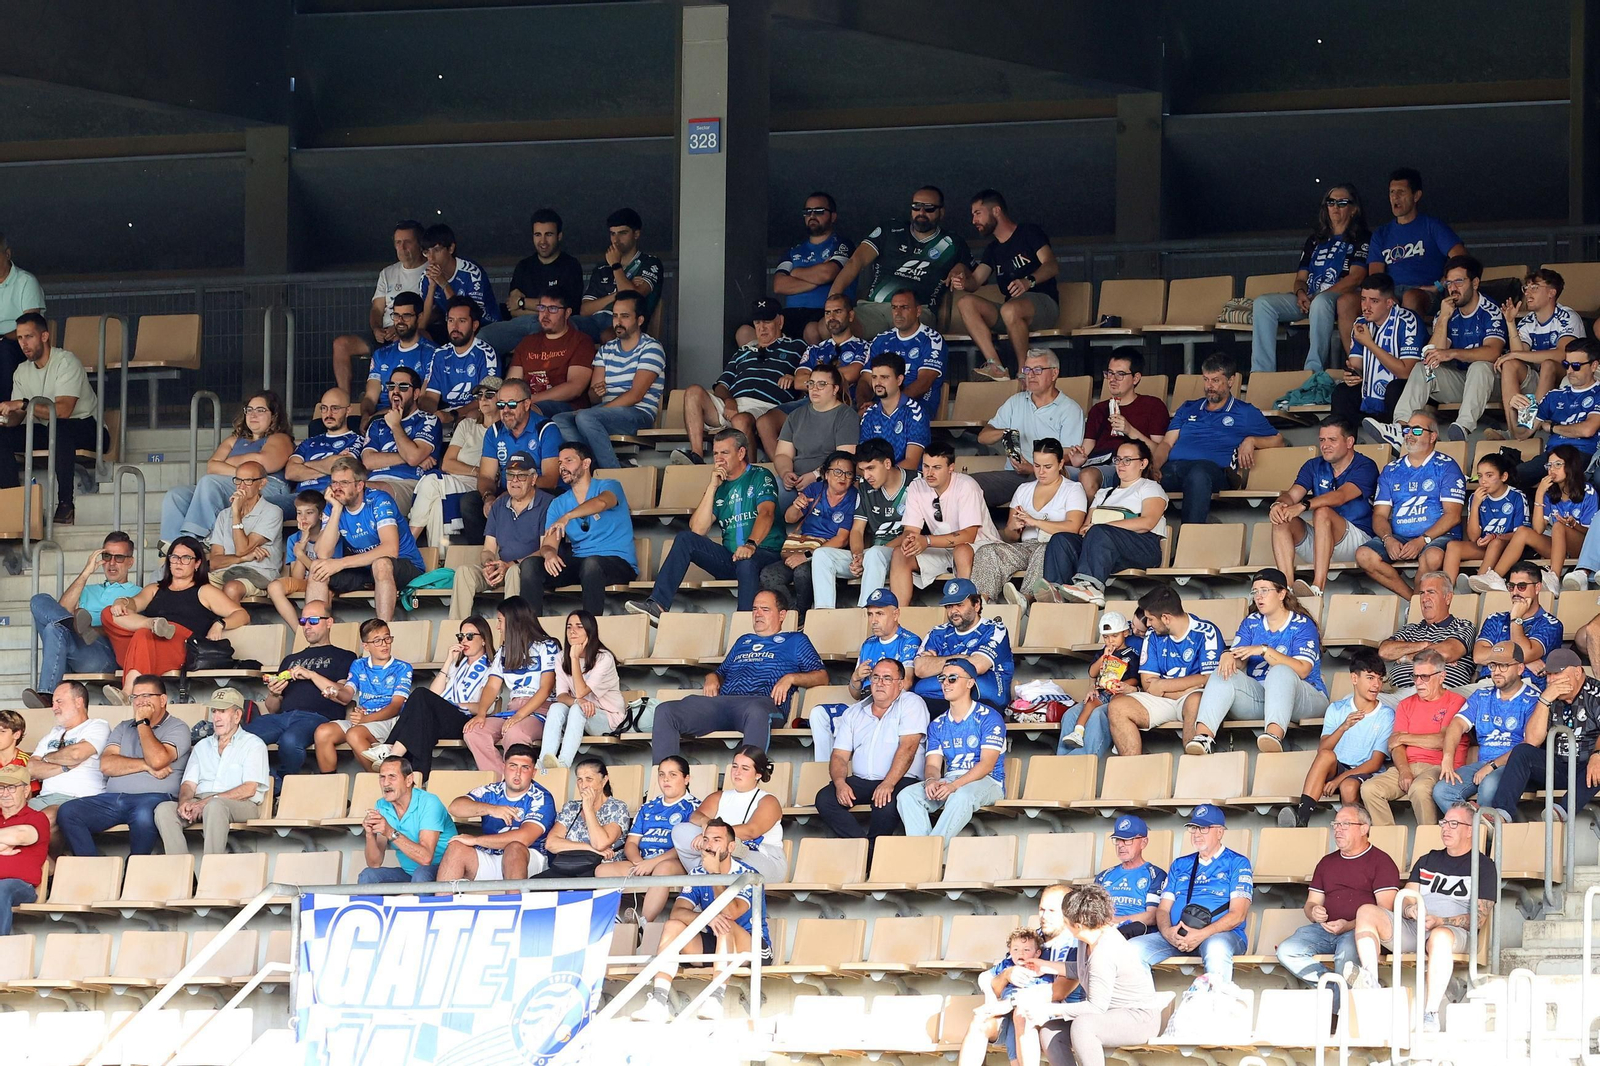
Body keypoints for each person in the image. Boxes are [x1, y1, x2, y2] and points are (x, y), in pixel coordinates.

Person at [1348, 804, 1495, 1033]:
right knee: (1366, 911)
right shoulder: (1428, 860)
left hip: (1452, 932)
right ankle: (1371, 983)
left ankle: (1430, 1013)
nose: (1446, 828)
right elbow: (1407, 897)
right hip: (1416, 927)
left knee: (1439, 937)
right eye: (1444, 822)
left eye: (1454, 824)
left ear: (1470, 830)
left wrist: (1440, 922)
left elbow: (1479, 919)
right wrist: (1410, 910)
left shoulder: (1483, 866)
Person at [649, 589, 827, 765]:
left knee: (756, 711)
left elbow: (822, 676)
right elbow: (721, 673)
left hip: (762, 703)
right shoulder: (744, 641)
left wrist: (791, 678)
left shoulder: (796, 640)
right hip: (723, 704)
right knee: (666, 711)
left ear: (782, 615)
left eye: (765, 609)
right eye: (755, 609)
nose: (757, 614)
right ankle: (664, 781)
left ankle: (747, 777)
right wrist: (711, 676)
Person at [629, 429, 784, 620]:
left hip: (765, 553)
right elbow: (698, 529)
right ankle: (658, 605)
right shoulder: (719, 486)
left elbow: (766, 513)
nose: (718, 459)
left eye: (724, 453)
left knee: (746, 561)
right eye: (716, 453)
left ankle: (744, 625)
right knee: (686, 539)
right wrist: (712, 487)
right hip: (733, 558)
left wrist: (751, 544)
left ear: (741, 453)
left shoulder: (760, 475)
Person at [629, 819, 774, 1024]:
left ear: (731, 847)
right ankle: (659, 1002)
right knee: (673, 926)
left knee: (725, 923)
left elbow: (731, 912)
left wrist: (715, 875)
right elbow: (678, 912)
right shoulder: (698, 873)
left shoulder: (747, 875)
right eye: (706, 839)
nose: (709, 845)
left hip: (754, 947)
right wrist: (707, 918)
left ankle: (716, 1000)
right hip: (718, 945)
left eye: (717, 840)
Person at [1276, 806, 1399, 1017]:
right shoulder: (1327, 863)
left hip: (1359, 931)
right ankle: (1337, 991)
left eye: (1345, 824)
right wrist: (1314, 911)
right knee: (1286, 951)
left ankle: (1342, 1016)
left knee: (1346, 960)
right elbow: (1310, 903)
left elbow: (1384, 911)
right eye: (1335, 824)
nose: (1338, 830)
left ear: (1364, 828)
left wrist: (1348, 924)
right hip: (1325, 929)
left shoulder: (1382, 862)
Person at [1191, 568, 1329, 755]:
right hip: (1262, 698)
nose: (1258, 596)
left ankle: (1273, 736)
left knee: (1280, 672)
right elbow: (1238, 662)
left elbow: (1303, 670)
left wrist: (1264, 651)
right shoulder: (1251, 622)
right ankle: (1203, 737)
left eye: (1265, 590)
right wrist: (1227, 656)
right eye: (1255, 591)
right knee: (1223, 672)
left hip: (1305, 697)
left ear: (1281, 594)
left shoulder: (1302, 624)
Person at [1022, 885, 1164, 1066]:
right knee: (1051, 1030)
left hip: (1138, 1020)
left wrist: (1048, 1009)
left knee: (1084, 1026)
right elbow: (1084, 970)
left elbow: (1095, 1008)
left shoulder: (1105, 950)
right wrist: (1046, 966)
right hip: (1108, 1015)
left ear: (1079, 925)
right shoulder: (1087, 938)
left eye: (1065, 921)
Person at [1372, 254, 1508, 443]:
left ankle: (1462, 427)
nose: (1453, 288)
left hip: (1494, 383)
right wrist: (1444, 318)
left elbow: (1492, 352)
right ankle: (1400, 427)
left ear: (1475, 283)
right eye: (1449, 283)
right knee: (1423, 367)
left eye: (1459, 281)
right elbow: (1432, 354)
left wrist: (1452, 353)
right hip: (1463, 384)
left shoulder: (1490, 310)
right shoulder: (1446, 312)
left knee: (1480, 366)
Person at [100, 535, 249, 704]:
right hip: (147, 643)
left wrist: (220, 623)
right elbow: (134, 603)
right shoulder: (155, 588)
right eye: (174, 557)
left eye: (186, 558)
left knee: (143, 634)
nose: (178, 562)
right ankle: (151, 624)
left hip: (180, 644)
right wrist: (122, 601)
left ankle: (128, 693)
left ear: (197, 563)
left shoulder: (205, 591)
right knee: (108, 612)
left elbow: (242, 614)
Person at [56, 675, 191, 857]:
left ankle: (132, 873)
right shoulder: (124, 727)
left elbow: (158, 760)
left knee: (144, 816)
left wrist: (143, 723)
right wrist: (145, 765)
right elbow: (106, 764)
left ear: (163, 700)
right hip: (113, 799)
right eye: (135, 697)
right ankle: (95, 870)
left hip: (154, 799)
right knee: (68, 811)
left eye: (146, 696)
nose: (140, 702)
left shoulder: (178, 727)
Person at [1034, 440, 1169, 609]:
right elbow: (1085, 528)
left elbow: (1147, 522)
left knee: (1099, 531)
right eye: (1118, 459)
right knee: (1061, 539)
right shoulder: (1104, 493)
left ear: (1143, 463)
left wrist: (1106, 526)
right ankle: (1055, 591)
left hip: (1142, 546)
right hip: (1102, 547)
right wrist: (1093, 530)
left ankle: (1091, 587)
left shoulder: (1150, 487)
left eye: (1127, 460)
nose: (1121, 464)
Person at [1251, 183, 1370, 373]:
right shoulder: (1315, 239)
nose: (1335, 207)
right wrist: (1300, 293)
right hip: (1311, 297)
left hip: (1338, 298)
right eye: (1331, 202)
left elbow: (1356, 277)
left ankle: (1312, 370)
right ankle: (1261, 372)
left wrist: (1318, 298)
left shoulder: (1362, 238)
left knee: (1321, 302)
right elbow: (1300, 278)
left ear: (1354, 209)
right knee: (1263, 304)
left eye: (1342, 203)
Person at [1155, 352, 1284, 526]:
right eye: (1206, 379)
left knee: (1199, 473)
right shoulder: (1188, 407)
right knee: (1133, 474)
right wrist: (1153, 467)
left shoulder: (1245, 412)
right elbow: (1166, 443)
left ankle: (1189, 540)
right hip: (1175, 468)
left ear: (1231, 381)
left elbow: (1278, 440)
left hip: (1215, 472)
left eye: (1215, 380)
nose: (1209, 386)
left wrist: (1252, 440)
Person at [1131, 805, 1253, 989]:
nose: (1196, 834)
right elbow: (1163, 909)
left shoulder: (1237, 862)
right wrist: (1168, 933)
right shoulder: (1181, 864)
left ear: (1219, 832)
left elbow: (1238, 914)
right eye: (1193, 828)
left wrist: (1201, 935)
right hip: (1177, 935)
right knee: (1131, 949)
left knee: (1216, 949)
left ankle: (1215, 1010)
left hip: (1220, 935)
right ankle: (1143, 1010)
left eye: (1204, 828)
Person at [677, 297, 808, 464]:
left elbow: (812, 374)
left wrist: (795, 377)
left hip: (768, 408)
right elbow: (722, 385)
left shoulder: (796, 346)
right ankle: (697, 456)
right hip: (733, 404)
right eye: (758, 322)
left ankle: (748, 472)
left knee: (741, 420)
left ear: (780, 321)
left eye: (767, 321)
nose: (762, 327)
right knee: (693, 392)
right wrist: (730, 401)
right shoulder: (744, 351)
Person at [830, 185, 973, 338]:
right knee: (829, 327)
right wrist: (832, 300)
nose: (921, 213)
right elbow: (855, 261)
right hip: (874, 309)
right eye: (916, 207)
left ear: (941, 212)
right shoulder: (890, 230)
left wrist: (961, 267)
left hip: (917, 310)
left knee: (903, 334)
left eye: (929, 208)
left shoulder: (953, 243)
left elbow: (973, 275)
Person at [816, 658, 929, 849]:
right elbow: (839, 756)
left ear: (900, 684)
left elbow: (908, 748)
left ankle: (868, 856)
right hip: (863, 780)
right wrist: (840, 783)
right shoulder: (854, 713)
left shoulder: (911, 703)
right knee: (825, 799)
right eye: (875, 677)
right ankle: (864, 849)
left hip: (902, 779)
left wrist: (888, 783)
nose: (880, 683)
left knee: (885, 805)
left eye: (887, 678)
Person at [0, 314, 101, 524]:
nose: (23, 344)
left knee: (60, 428)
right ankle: (13, 504)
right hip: (48, 428)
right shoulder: (21, 370)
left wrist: (24, 404)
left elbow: (63, 411)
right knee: (2, 436)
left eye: (29, 337)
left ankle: (65, 504)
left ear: (45, 336)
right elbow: (16, 420)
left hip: (87, 428)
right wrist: (5, 416)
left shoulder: (66, 361)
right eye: (19, 338)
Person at [160, 391, 294, 547]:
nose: (253, 415)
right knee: (177, 495)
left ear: (274, 415)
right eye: (249, 410)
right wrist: (242, 473)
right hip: (234, 484)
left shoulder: (280, 438)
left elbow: (264, 463)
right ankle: (173, 544)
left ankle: (197, 539)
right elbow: (212, 466)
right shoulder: (234, 440)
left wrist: (229, 463)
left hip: (265, 485)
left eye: (260, 410)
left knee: (209, 483)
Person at [368, 617, 495, 781]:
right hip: (442, 718)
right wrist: (449, 661)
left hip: (465, 721)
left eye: (469, 636)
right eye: (460, 636)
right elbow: (434, 694)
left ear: (483, 639)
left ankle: (392, 755)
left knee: (420, 694)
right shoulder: (458, 665)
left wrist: (456, 704)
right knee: (422, 720)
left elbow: (485, 707)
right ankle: (418, 777)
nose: (464, 640)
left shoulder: (491, 667)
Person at [1355, 413, 1467, 600]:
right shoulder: (1391, 469)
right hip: (1399, 536)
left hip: (1438, 536)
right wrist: (1387, 538)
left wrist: (1422, 540)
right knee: (1363, 555)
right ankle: (1414, 600)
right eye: (1407, 429)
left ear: (1432, 436)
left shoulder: (1447, 467)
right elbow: (1379, 516)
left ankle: (1417, 608)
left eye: (1416, 430)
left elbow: (1453, 515)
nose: (1409, 434)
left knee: (1432, 557)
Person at [952, 190, 1060, 382]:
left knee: (1011, 309)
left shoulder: (1028, 232)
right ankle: (996, 366)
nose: (973, 220)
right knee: (965, 303)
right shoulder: (992, 249)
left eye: (978, 213)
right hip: (1012, 313)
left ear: (996, 211)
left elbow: (1051, 265)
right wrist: (963, 281)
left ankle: (1023, 372)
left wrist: (1029, 281)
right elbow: (976, 281)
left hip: (1044, 305)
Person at [1280, 651, 1395, 828]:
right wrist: (1343, 727)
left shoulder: (1386, 714)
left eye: (1380, 679)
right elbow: (1323, 750)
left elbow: (1375, 762)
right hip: (1338, 766)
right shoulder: (1336, 708)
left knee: (1348, 786)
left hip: (1365, 771)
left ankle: (1354, 831)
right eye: (1370, 678)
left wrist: (1338, 780)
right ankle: (1302, 819)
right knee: (1326, 756)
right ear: (1354, 679)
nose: (1376, 685)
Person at [551, 290, 665, 470]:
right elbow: (594, 397)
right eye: (615, 316)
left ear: (640, 320)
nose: (618, 322)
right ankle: (591, 467)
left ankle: (612, 473)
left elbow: (635, 395)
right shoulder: (606, 349)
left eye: (625, 316)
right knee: (559, 419)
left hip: (638, 414)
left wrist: (594, 412)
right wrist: (596, 392)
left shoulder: (651, 348)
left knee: (585, 417)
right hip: (603, 414)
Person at [246, 603, 357, 786]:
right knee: (242, 737)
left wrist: (311, 674)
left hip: (317, 718)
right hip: (283, 717)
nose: (307, 626)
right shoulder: (289, 659)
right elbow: (272, 708)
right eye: (303, 621)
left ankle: (278, 786)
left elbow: (342, 694)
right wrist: (274, 694)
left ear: (329, 622)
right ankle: (262, 783)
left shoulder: (345, 656)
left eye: (313, 620)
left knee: (290, 741)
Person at [1105, 585, 1223, 758]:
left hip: (1191, 698)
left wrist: (1163, 685)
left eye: (1151, 619)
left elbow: (1209, 678)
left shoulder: (1206, 632)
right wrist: (1182, 688)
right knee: (1117, 707)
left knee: (1195, 701)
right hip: (1164, 699)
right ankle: (1132, 773)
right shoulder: (1152, 635)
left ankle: (1193, 771)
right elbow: (1148, 683)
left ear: (1166, 618)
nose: (1149, 624)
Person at [306, 456, 428, 622]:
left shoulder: (379, 500)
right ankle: (315, 631)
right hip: (364, 568)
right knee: (317, 568)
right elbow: (322, 553)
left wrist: (341, 563)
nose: (337, 488)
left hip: (403, 564)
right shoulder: (333, 505)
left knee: (381, 563)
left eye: (344, 483)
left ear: (359, 485)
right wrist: (336, 510)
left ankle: (382, 633)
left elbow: (390, 550)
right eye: (334, 482)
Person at [25, 532, 140, 707]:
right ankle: (48, 697)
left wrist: (94, 630)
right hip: (71, 644)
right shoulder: (87, 589)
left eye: (119, 558)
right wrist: (86, 572)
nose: (111, 563)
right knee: (39, 601)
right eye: (107, 556)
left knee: (54, 629)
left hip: (104, 654)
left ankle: (48, 694)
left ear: (130, 562)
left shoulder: (137, 593)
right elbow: (61, 609)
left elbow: (128, 630)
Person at [1270, 416, 1380, 598]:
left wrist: (1304, 505)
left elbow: (1341, 496)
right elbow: (1292, 494)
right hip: (1322, 542)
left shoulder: (1365, 465)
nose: (1325, 445)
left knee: (1323, 512)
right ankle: (1287, 589)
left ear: (1350, 441)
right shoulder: (1313, 465)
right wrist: (1278, 505)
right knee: (1282, 518)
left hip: (1358, 541)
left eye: (1332, 440)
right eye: (1322, 440)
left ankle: (1317, 588)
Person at [1486, 648, 1600, 821]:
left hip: (1589, 769)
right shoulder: (1549, 696)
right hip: (1557, 768)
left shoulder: (1596, 693)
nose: (1552, 680)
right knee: (1522, 752)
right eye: (1548, 675)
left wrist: (1598, 755)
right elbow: (1532, 741)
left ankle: (1561, 812)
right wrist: (1544, 700)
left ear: (1577, 672)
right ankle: (1502, 813)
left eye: (1557, 673)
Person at [898, 658, 1006, 841]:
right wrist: (932, 780)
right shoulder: (937, 724)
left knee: (960, 796)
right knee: (907, 795)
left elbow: (987, 765)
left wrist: (955, 785)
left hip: (988, 781)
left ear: (970, 683)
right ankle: (926, 853)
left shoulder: (989, 717)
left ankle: (929, 853)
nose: (946, 684)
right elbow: (933, 764)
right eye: (943, 678)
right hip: (950, 779)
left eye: (953, 678)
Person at [527, 440, 637, 616]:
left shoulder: (610, 485)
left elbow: (602, 502)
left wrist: (569, 516)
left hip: (617, 562)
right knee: (530, 565)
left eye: (568, 461)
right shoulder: (558, 504)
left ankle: (589, 633)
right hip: (581, 565)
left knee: (592, 564)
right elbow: (548, 544)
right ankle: (531, 633)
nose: (562, 467)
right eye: (560, 463)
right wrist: (549, 555)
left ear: (586, 464)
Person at [1360, 649, 1466, 827]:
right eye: (1415, 676)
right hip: (1407, 765)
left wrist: (1405, 737)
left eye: (1425, 677)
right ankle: (1390, 846)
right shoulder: (1405, 704)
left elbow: (1442, 740)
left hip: (1440, 767)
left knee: (1419, 789)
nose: (1418, 682)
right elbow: (1395, 745)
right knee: (1369, 789)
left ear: (1442, 676)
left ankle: (1429, 845)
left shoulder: (1456, 701)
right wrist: (1404, 771)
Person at [155, 690, 269, 855]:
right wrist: (185, 802)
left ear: (237, 716)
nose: (216, 717)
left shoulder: (254, 744)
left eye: (222, 711)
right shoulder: (202, 745)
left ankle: (211, 870)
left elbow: (248, 789)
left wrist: (205, 803)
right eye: (214, 711)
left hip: (241, 803)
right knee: (164, 809)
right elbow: (188, 784)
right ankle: (181, 871)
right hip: (201, 801)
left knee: (214, 806)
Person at [975, 438, 1086, 605]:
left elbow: (1073, 527)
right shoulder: (1023, 489)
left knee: (1045, 550)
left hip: (1056, 548)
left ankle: (1024, 598)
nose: (1041, 472)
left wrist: (1035, 521)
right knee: (988, 551)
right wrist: (1013, 527)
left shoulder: (1073, 489)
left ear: (1061, 464)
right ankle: (982, 601)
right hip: (1026, 547)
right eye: (1037, 465)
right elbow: (1011, 537)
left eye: (1048, 467)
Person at [891, 443, 1002, 607]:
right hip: (943, 549)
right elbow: (910, 530)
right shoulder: (917, 486)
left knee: (961, 550)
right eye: (926, 466)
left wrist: (927, 540)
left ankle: (964, 608)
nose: (929, 473)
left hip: (980, 547)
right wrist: (911, 541)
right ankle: (899, 616)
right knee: (900, 554)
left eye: (936, 467)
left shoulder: (966, 485)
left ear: (951, 468)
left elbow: (968, 535)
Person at [973, 349, 1087, 507]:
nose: (1031, 375)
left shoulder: (1070, 409)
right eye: (1027, 370)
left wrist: (1033, 468)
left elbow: (1069, 456)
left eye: (1038, 370)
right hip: (1014, 475)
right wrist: (1005, 433)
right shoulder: (1015, 402)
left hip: (1050, 478)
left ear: (1054, 374)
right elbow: (983, 437)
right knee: (968, 485)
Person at [809, 437, 913, 609]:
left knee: (875, 554)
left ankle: (864, 613)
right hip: (871, 557)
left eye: (871, 468)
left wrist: (870, 554)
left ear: (887, 463)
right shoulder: (865, 486)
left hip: (902, 555)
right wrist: (858, 556)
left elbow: (912, 532)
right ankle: (824, 613)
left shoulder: (915, 482)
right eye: (863, 470)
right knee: (822, 555)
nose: (866, 476)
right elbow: (857, 530)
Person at [447, 453, 554, 619]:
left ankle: (512, 634)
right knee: (463, 572)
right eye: (510, 475)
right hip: (501, 567)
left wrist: (510, 565)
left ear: (533, 479)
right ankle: (457, 632)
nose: (515, 481)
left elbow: (544, 550)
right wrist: (489, 564)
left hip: (528, 571)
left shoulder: (547, 503)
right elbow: (488, 549)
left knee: (513, 572)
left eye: (521, 476)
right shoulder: (498, 506)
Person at [1434, 642, 1538, 813]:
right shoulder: (1481, 695)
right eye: (1493, 665)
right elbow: (1457, 725)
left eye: (1504, 665)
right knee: (1442, 790)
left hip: (1514, 767)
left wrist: (1492, 766)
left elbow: (1529, 745)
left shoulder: (1533, 699)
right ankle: (1476, 827)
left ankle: (1485, 835)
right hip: (1482, 764)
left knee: (1488, 787)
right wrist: (1447, 758)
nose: (1496, 671)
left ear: (1520, 668)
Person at [463, 597, 560, 778]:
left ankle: (520, 787)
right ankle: (502, 782)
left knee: (514, 732)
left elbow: (546, 688)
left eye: (500, 621)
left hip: (541, 710)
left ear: (513, 621)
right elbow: (492, 686)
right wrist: (482, 713)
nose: (498, 627)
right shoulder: (504, 651)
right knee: (473, 731)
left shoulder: (547, 645)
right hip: (512, 710)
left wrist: (519, 716)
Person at [1474, 446, 1594, 591]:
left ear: (1570, 465)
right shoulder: (1549, 492)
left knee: (1558, 526)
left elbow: (1592, 535)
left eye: (1557, 465)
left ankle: (1554, 577)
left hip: (1581, 548)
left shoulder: (1588, 491)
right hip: (1556, 546)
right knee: (1524, 531)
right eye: (1549, 465)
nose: (1552, 470)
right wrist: (1539, 493)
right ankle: (1496, 577)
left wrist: (1573, 524)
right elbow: (1538, 529)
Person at [595, 756, 699, 920]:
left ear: (686, 779)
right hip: (643, 861)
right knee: (602, 870)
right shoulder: (648, 807)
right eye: (661, 774)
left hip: (675, 863)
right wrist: (639, 862)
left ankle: (644, 922)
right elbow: (631, 843)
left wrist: (652, 863)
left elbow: (685, 847)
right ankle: (610, 921)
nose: (666, 779)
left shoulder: (694, 807)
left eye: (673, 775)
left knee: (662, 869)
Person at [331, 220, 425, 398]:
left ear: (420, 243)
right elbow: (377, 308)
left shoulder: (431, 270)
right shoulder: (387, 273)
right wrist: (376, 329)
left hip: (413, 332)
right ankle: (343, 400)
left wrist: (402, 329)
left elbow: (432, 312)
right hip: (384, 333)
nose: (402, 247)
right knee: (341, 344)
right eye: (398, 242)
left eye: (408, 242)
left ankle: (390, 397)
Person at [478, 207, 585, 356]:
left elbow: (567, 308)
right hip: (522, 323)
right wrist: (542, 308)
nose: (543, 241)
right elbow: (513, 309)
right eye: (538, 235)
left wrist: (523, 302)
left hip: (557, 325)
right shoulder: (524, 266)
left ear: (559, 236)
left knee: (539, 333)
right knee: (483, 337)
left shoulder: (570, 265)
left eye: (549, 234)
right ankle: (492, 378)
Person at [437, 744, 555, 880]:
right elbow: (455, 807)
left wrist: (475, 840)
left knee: (514, 848)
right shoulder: (491, 791)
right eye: (513, 766)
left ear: (533, 772)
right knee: (456, 847)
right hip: (493, 855)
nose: (517, 773)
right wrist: (491, 809)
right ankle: (443, 900)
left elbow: (523, 838)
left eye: (525, 768)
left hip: (530, 859)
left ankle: (513, 900)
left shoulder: (541, 797)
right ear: (504, 767)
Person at [1066, 347, 1170, 500]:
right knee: (1056, 472)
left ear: (1136, 378)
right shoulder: (1098, 409)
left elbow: (1158, 451)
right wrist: (1078, 459)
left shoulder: (1152, 406)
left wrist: (1129, 430)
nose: (1112, 379)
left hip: (1123, 465)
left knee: (1087, 476)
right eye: (1109, 373)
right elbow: (1086, 450)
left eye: (1120, 374)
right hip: (1096, 463)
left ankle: (1089, 523)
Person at [761, 450, 856, 615]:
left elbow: (841, 540)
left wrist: (806, 556)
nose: (843, 477)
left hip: (828, 554)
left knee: (802, 572)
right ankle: (792, 614)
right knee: (769, 574)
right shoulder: (815, 489)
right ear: (826, 474)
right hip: (802, 545)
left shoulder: (853, 497)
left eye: (849, 474)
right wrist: (796, 506)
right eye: (838, 472)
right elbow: (790, 518)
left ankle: (803, 615)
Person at [312, 617, 413, 771]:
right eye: (377, 641)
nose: (384, 644)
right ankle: (331, 788)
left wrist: (365, 719)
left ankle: (378, 780)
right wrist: (335, 693)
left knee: (354, 734)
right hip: (362, 721)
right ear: (366, 646)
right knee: (322, 732)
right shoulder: (358, 664)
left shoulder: (403, 667)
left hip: (389, 721)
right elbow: (347, 694)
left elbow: (395, 707)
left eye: (387, 638)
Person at [408, 380, 500, 550]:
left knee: (431, 481)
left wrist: (481, 474)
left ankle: (407, 545)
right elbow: (448, 464)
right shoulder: (467, 425)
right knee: (435, 501)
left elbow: (491, 475)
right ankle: (439, 560)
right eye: (479, 395)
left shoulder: (504, 430)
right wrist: (478, 470)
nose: (483, 399)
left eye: (489, 395)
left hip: (478, 486)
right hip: (454, 480)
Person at [1364, 168, 1466, 318]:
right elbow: (1375, 276)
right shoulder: (1381, 233)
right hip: (1390, 294)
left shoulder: (1432, 226)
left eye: (1401, 192)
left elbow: (1462, 258)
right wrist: (1387, 296)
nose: (1395, 197)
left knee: (1410, 297)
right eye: (1392, 192)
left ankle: (1410, 341)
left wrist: (1440, 285)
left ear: (1416, 196)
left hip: (1425, 293)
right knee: (1348, 301)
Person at [1332, 274, 1424, 429]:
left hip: (1409, 389)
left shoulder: (1408, 321)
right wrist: (1352, 375)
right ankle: (1343, 445)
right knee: (1342, 392)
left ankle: (1397, 440)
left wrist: (1369, 343)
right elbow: (1356, 366)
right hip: (1372, 391)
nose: (1366, 307)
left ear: (1389, 303)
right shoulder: (1361, 323)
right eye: (1363, 299)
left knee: (1395, 388)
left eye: (1374, 301)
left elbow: (1406, 373)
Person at [1498, 268, 1586, 425]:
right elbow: (1519, 356)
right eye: (1526, 288)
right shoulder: (1527, 321)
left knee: (1548, 364)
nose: (1527, 292)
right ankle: (1514, 428)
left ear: (1551, 293)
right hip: (1539, 381)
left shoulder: (1567, 316)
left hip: (1567, 377)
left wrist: (1515, 354)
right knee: (1510, 364)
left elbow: (1561, 355)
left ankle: (1531, 425)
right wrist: (1511, 323)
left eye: (1535, 287)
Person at [1511, 336, 1600, 490]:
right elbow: (1522, 434)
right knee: (1513, 476)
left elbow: (1587, 429)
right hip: (1552, 456)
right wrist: (1514, 410)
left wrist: (1552, 428)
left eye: (1576, 366)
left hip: (1583, 454)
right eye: (1566, 364)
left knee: (1565, 477)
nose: (1570, 371)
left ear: (1594, 366)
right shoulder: (1553, 396)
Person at [912, 579, 1014, 712]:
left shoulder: (994, 630)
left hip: (982, 703)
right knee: (915, 699)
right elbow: (921, 668)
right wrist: (962, 657)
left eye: (959, 605)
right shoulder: (937, 632)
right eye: (949, 606)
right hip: (936, 701)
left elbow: (977, 666)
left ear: (976, 605)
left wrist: (936, 664)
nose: (953, 611)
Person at [540, 611, 626, 769]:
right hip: (579, 715)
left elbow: (581, 692)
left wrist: (574, 658)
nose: (572, 631)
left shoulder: (604, 658)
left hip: (608, 717)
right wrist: (578, 701)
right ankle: (543, 763)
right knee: (556, 707)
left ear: (589, 631)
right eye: (569, 627)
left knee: (576, 710)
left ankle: (563, 764)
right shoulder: (560, 657)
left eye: (579, 627)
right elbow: (561, 696)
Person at [765, 193, 853, 346]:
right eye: (807, 212)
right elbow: (779, 285)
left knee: (812, 330)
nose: (812, 215)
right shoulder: (793, 251)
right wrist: (817, 279)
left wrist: (796, 272)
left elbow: (827, 273)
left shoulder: (842, 244)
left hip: (823, 312)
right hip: (791, 313)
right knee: (747, 331)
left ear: (833, 216)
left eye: (819, 211)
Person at [772, 363, 859, 515]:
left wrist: (815, 475)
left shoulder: (846, 415)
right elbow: (783, 454)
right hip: (796, 482)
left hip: (827, 482)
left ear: (835, 389)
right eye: (811, 383)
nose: (814, 388)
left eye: (822, 384)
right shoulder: (796, 415)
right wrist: (786, 473)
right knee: (765, 498)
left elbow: (845, 458)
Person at [358, 754, 457, 883]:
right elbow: (374, 863)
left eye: (392, 777)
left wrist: (389, 832)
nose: (385, 783)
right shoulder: (381, 805)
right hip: (409, 873)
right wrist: (369, 834)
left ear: (409, 780)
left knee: (421, 874)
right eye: (382, 777)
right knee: (368, 875)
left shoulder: (429, 802)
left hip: (445, 871)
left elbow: (426, 858)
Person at [361, 365, 445, 515]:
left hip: (408, 483)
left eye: (404, 387)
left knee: (371, 493)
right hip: (374, 481)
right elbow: (368, 461)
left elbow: (413, 457)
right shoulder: (377, 423)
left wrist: (395, 425)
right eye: (391, 386)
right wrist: (413, 457)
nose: (396, 391)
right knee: (345, 492)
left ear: (416, 393)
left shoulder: (428, 420)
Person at [1377, 571, 1477, 693]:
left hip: (1440, 693)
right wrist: (1424, 645)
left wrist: (1405, 657)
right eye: (1422, 593)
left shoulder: (1462, 626)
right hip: (1398, 692)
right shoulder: (1410, 629)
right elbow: (1384, 651)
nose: (1425, 599)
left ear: (1448, 597)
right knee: (1353, 700)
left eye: (1431, 592)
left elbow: (1447, 652)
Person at [1440, 453, 1528, 590]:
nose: (1483, 481)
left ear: (1503, 477)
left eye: (1489, 475)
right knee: (1453, 546)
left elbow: (1522, 534)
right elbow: (1474, 537)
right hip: (1484, 546)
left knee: (1495, 542)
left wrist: (1495, 536)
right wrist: (1475, 505)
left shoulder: (1517, 496)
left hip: (1508, 546)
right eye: (1480, 476)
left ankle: (1478, 582)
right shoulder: (1476, 498)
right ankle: (1446, 590)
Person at [204, 459, 285, 605]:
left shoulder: (272, 512)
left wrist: (236, 513)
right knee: (190, 584)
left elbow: (242, 549)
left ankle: (230, 625)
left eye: (248, 481)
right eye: (238, 480)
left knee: (232, 587)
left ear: (262, 484)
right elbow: (214, 562)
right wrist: (242, 558)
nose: (241, 486)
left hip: (257, 573)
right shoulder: (224, 515)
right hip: (224, 572)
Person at [27, 681, 110, 825]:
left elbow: (76, 754)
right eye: (53, 703)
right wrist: (64, 766)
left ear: (78, 702)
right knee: (9, 817)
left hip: (79, 799)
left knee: (45, 819)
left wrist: (45, 760)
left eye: (59, 702)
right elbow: (31, 769)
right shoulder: (53, 734)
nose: (54, 708)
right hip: (43, 798)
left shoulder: (97, 726)